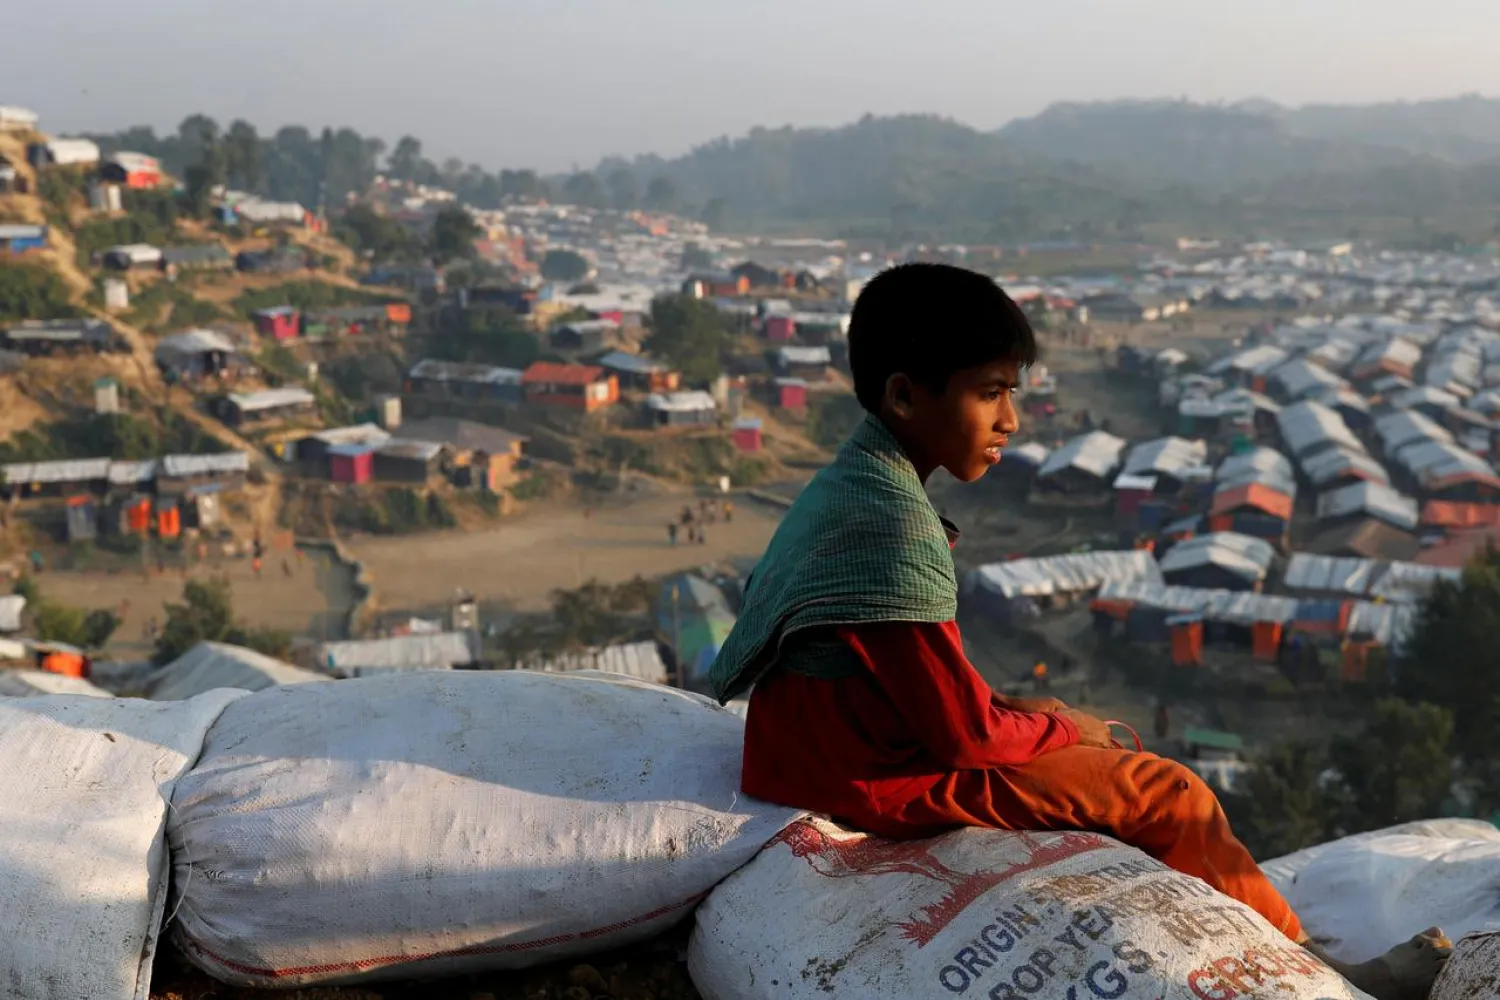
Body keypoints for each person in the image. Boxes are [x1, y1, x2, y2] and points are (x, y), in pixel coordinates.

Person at [707, 263, 1447, 1000]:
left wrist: (1039, 721)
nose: (1010, 421)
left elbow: (920, 681)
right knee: (1169, 792)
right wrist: (1064, 729)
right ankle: (1328, 972)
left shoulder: (853, 479)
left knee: (1057, 727)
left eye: (1010, 393)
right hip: (869, 776)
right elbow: (963, 738)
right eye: (988, 393)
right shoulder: (893, 525)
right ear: (904, 395)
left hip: (827, 744)